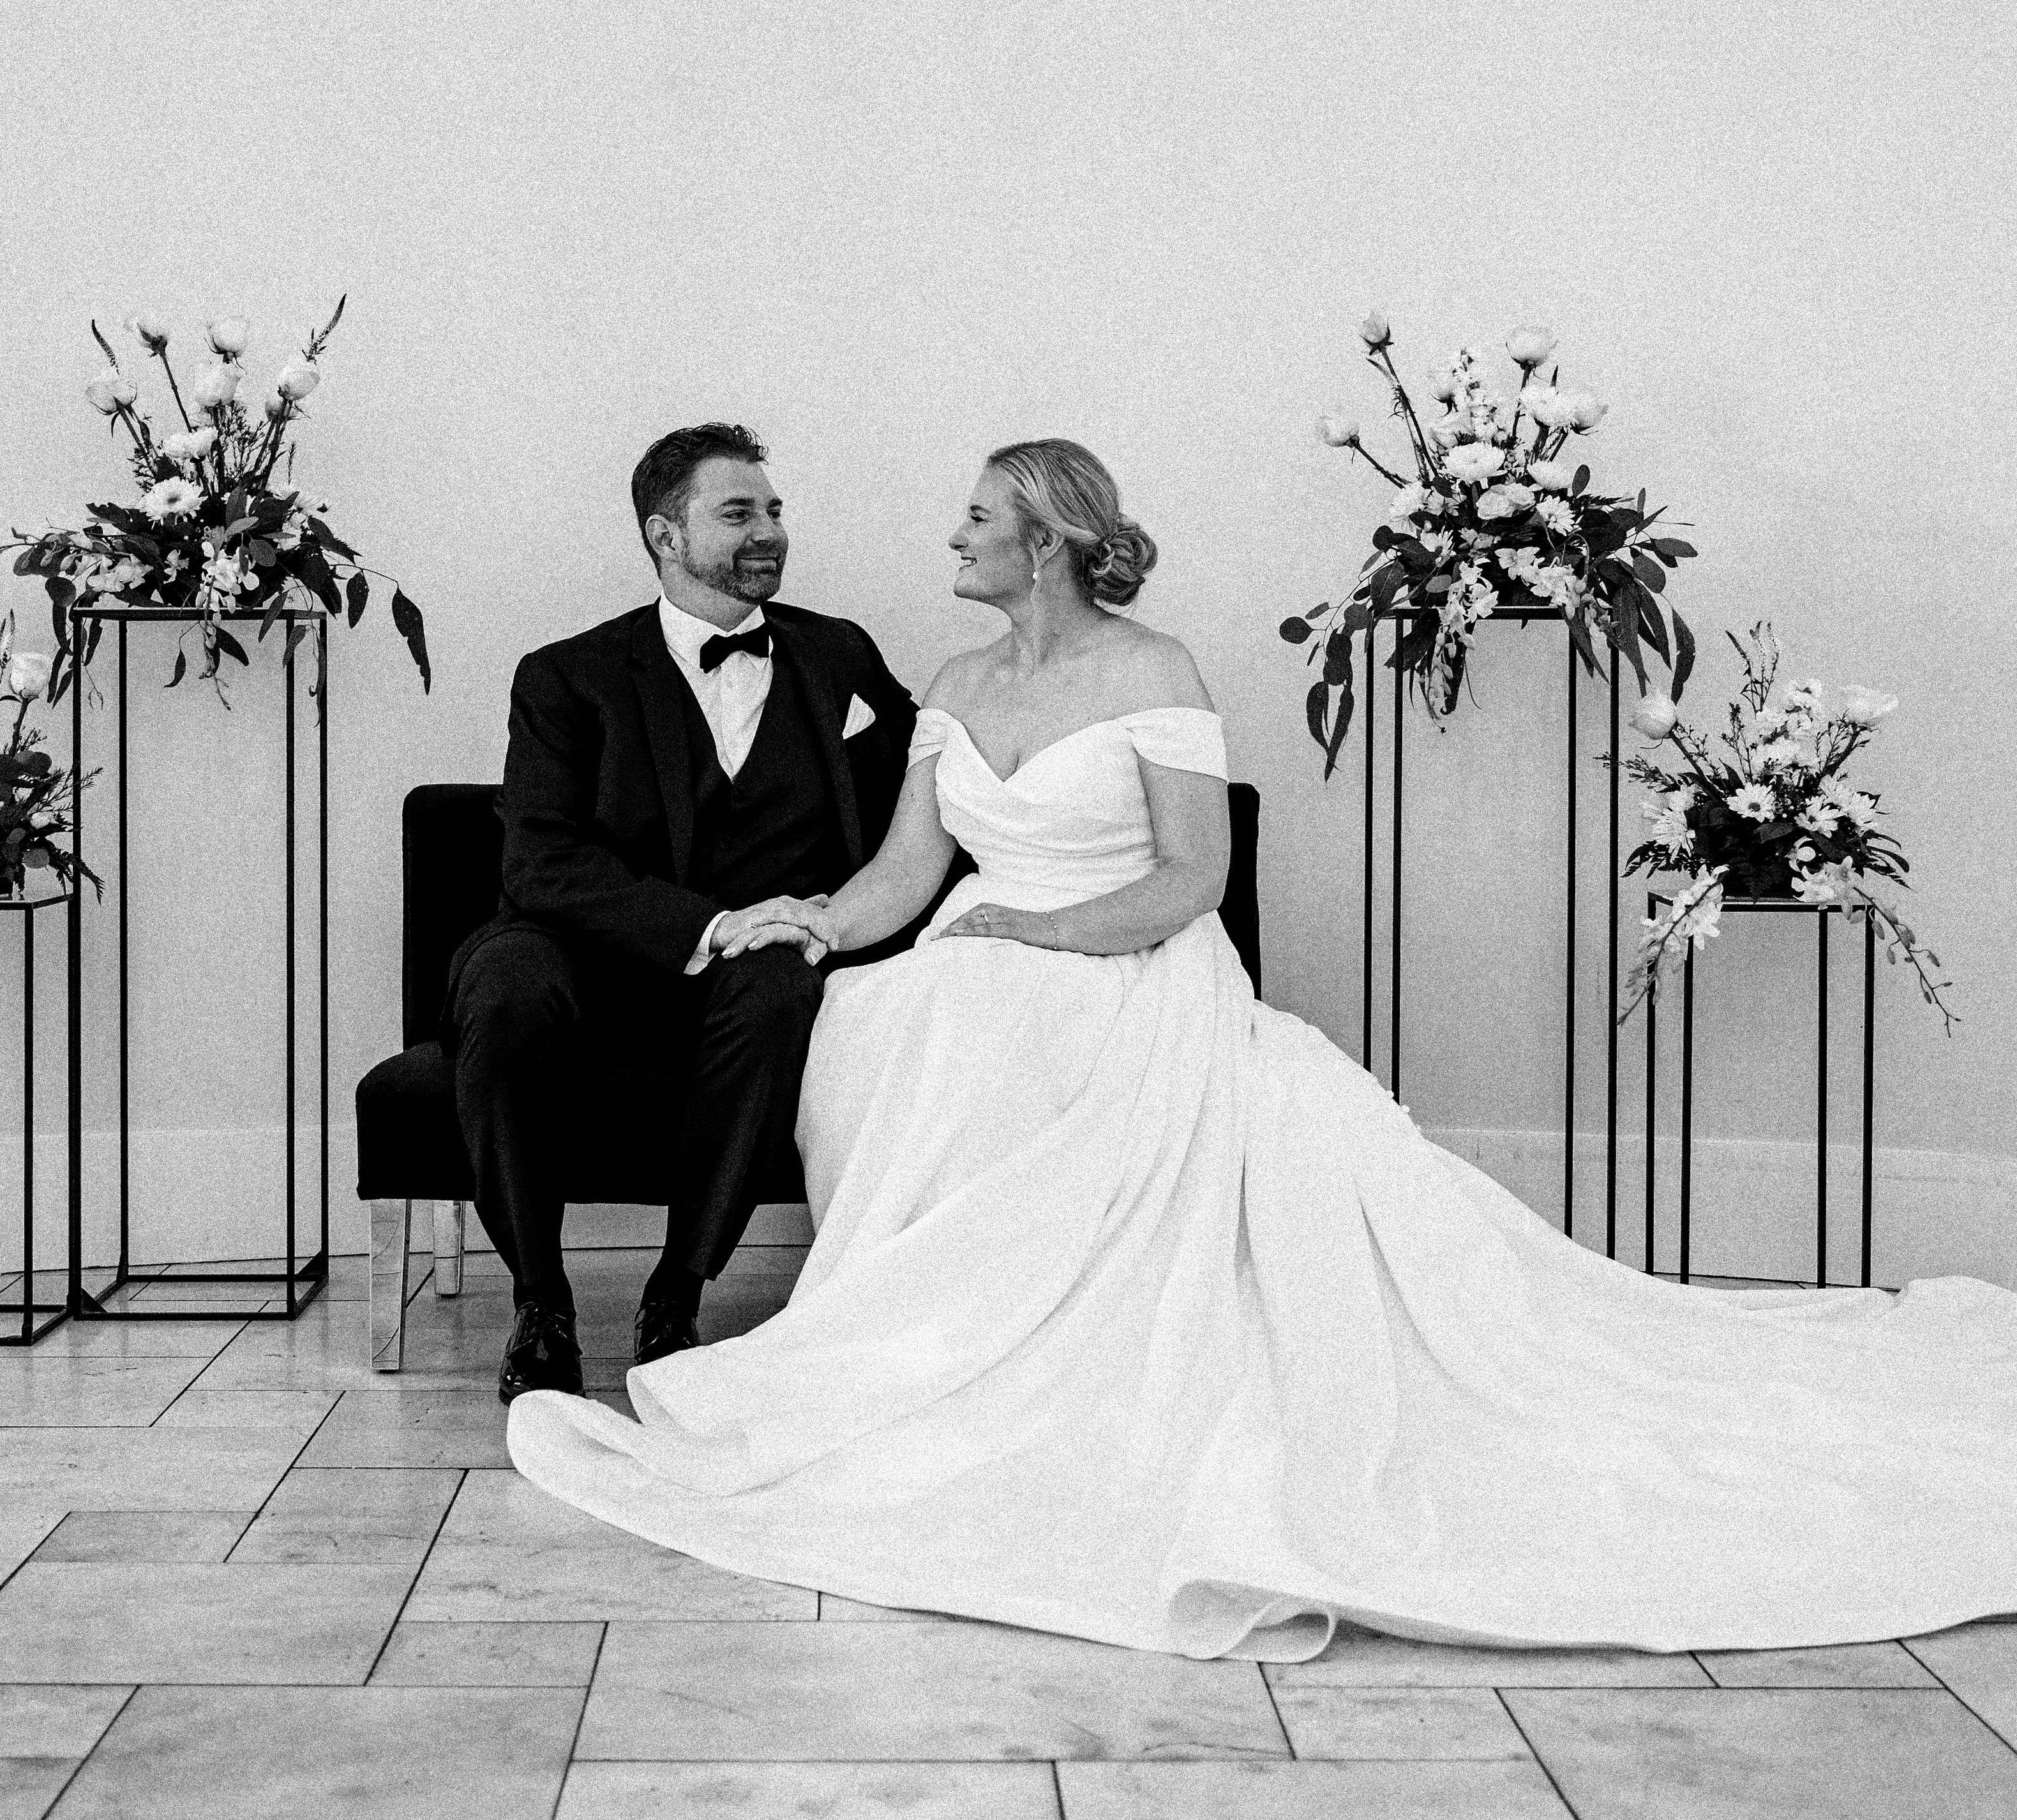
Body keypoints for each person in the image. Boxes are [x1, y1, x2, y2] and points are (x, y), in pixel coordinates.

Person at [505, 436, 2017, 1662]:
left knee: (1003, 1039)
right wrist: (807, 924)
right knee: (886, 1020)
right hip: (976, 957)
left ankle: (1059, 1381)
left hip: (1126, 964)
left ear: (1045, 539)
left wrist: (1033, 928)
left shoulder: (1157, 671)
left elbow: (1188, 878)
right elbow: (903, 873)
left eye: (974, 518)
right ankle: (919, 1358)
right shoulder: (952, 686)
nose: (948, 537)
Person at [444, 423, 917, 1406]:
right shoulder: (566, 675)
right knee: (505, 984)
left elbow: (926, 781)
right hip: (587, 957)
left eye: (774, 510)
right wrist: (709, 925)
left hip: (763, 965)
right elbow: (541, 861)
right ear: (666, 536)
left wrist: (831, 909)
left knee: (783, 982)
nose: (770, 531)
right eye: (738, 513)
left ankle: (677, 1295)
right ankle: (541, 1304)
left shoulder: (838, 653)